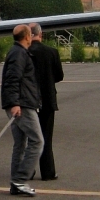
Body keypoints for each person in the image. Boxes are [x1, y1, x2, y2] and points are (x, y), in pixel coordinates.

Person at [1, 24, 44, 197]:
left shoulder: (17, 52)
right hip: (22, 105)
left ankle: (16, 182)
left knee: (20, 144)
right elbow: (13, 79)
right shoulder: (19, 54)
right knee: (37, 141)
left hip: (20, 102)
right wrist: (14, 103)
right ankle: (20, 179)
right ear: (27, 37)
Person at [28, 22, 64, 181]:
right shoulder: (52, 52)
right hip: (48, 100)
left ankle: (28, 170)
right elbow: (59, 76)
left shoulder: (24, 53)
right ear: (41, 34)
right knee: (46, 137)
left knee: (30, 138)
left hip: (29, 100)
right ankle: (48, 172)